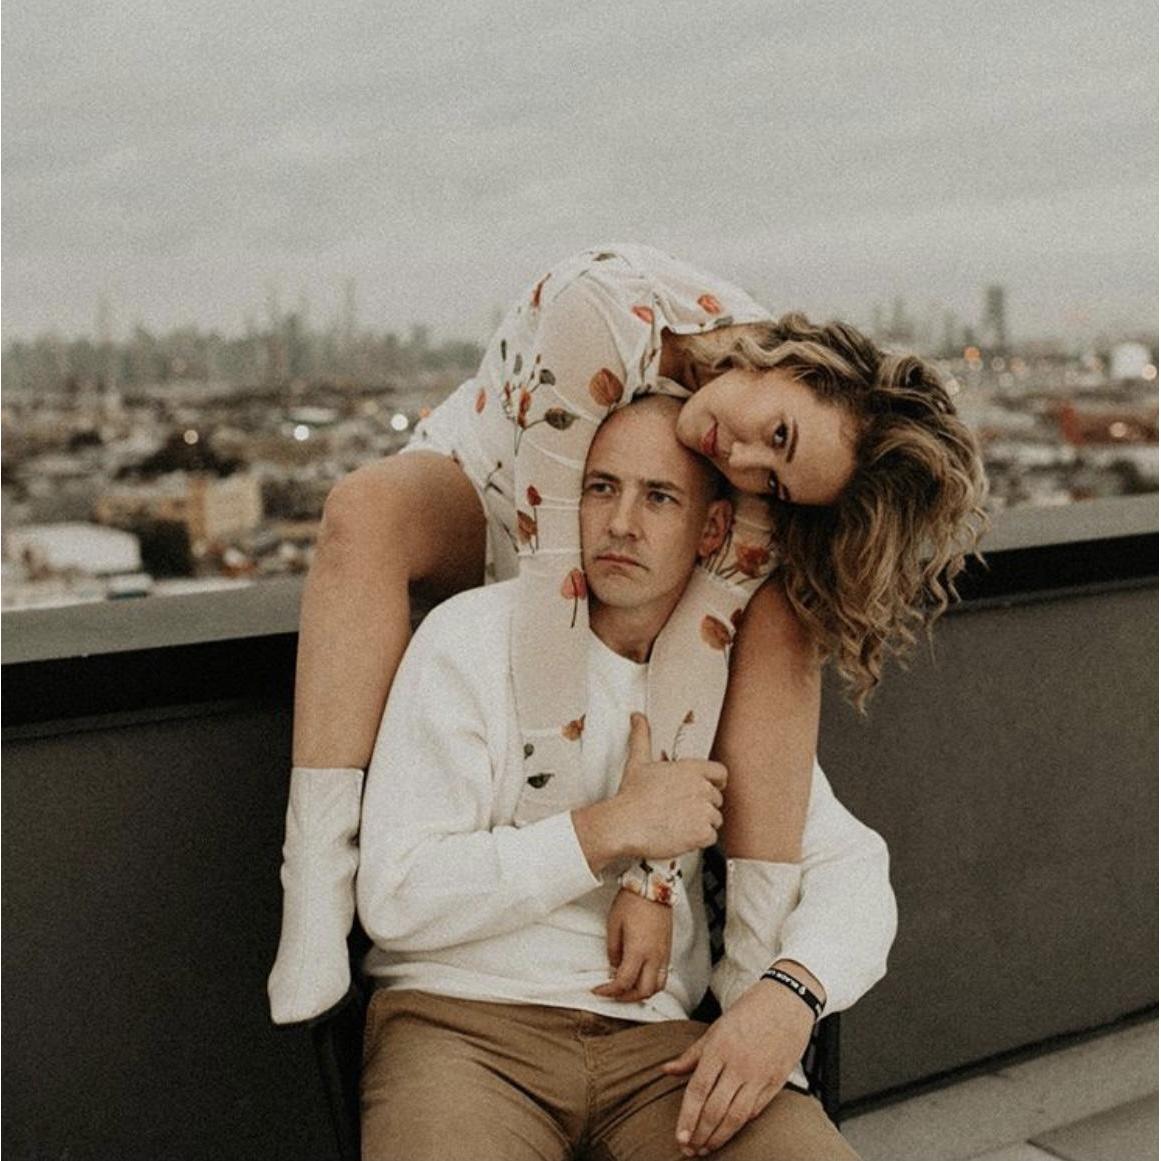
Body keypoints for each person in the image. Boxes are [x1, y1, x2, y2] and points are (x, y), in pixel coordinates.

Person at [268, 243, 985, 1029]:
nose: (743, 458)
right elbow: (552, 581)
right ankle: (314, 886)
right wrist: (588, 844)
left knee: (782, 616)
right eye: (775, 434)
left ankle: (751, 966)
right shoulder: (602, 313)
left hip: (626, 534)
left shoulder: (745, 476)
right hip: (501, 492)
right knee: (363, 509)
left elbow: (697, 645)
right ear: (791, 361)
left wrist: (654, 878)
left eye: (774, 478)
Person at [356, 397, 894, 1160]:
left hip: (660, 1052)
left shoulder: (717, 678)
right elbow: (396, 893)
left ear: (711, 529)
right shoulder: (473, 636)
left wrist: (790, 993)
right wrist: (608, 829)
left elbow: (852, 866)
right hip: (462, 1028)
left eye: (659, 497)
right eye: (601, 488)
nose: (620, 523)